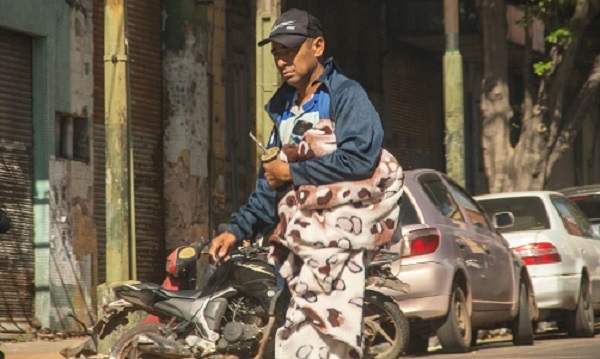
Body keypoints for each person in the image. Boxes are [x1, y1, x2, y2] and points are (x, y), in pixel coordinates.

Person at [209, 8, 403, 359]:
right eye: (276, 53)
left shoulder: (345, 95)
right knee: (296, 340)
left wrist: (293, 173)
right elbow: (271, 181)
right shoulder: (282, 108)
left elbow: (360, 158)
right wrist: (237, 230)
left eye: (289, 49)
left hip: (336, 247)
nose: (282, 60)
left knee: (328, 342)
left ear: (317, 46)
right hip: (296, 248)